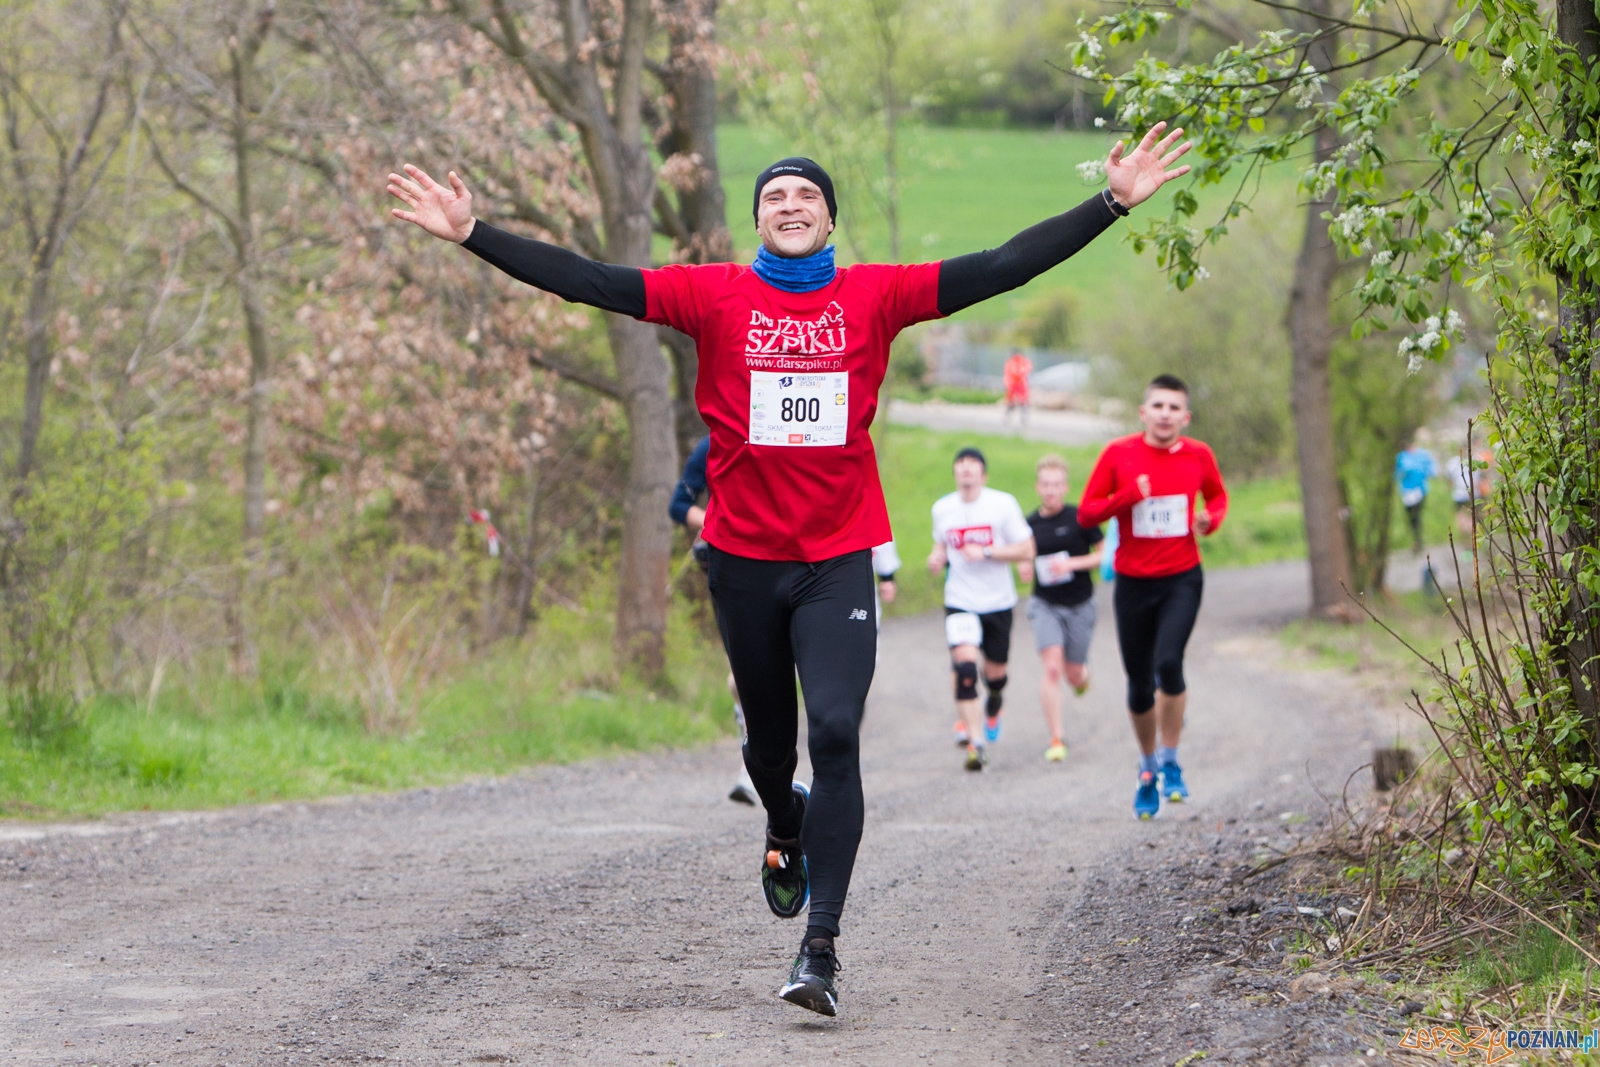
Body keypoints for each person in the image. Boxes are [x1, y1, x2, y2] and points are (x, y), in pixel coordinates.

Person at [387, 122, 1192, 1017]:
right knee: (772, 750)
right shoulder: (711, 295)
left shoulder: (875, 296)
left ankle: (821, 951)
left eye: (807, 194)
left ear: (830, 218)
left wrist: (1112, 202)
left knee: (838, 730)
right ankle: (782, 820)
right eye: (775, 196)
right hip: (741, 558)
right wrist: (474, 235)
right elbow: (592, 281)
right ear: (758, 222)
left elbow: (1003, 263)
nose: (791, 204)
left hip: (838, 557)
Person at [1078, 374, 1227, 820]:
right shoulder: (1118, 454)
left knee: (1169, 663)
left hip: (1182, 577)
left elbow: (1217, 497)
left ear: (1185, 416)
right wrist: (1128, 496)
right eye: (1157, 406)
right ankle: (1147, 768)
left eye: (1173, 407)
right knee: (1140, 682)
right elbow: (1087, 513)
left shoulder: (1200, 455)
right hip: (1132, 582)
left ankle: (1171, 759)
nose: (1165, 414)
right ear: (1144, 412)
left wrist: (1209, 520)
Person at [928, 448, 1035, 770]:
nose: (966, 470)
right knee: (964, 669)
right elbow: (941, 544)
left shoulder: (1001, 504)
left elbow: (1027, 548)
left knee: (995, 674)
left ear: (983, 475)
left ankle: (994, 703)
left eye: (973, 465)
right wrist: (937, 557)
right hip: (960, 599)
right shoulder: (943, 508)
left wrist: (987, 551)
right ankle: (976, 742)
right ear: (955, 473)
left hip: (997, 601)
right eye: (960, 465)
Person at [670, 435, 761, 806]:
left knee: (763, 674)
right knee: (742, 676)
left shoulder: (783, 438)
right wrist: (717, 522)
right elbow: (679, 505)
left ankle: (766, 759)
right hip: (728, 568)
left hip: (783, 565)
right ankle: (753, 762)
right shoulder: (712, 446)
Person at [1015, 454, 1102, 763]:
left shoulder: (1081, 518)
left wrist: (1072, 563)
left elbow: (1105, 556)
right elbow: (1024, 554)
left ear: (1065, 487)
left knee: (1073, 674)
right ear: (1038, 487)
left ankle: (1081, 676)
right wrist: (1025, 567)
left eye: (1056, 485)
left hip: (1080, 603)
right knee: (1052, 667)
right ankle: (1056, 738)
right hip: (1045, 604)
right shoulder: (1029, 524)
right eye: (1045, 485)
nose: (1050, 490)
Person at [1395, 436, 1437, 553]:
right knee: (1411, 517)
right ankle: (1416, 539)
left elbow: (1431, 469)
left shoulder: (1423, 455)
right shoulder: (1401, 457)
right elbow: (1397, 474)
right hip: (1407, 491)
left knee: (1417, 514)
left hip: (1420, 490)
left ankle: (1418, 541)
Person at [1445, 447, 1473, 536]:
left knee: (1463, 514)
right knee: (1465, 514)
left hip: (1464, 493)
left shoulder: (1453, 462)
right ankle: (1467, 533)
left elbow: (1449, 478)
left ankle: (1466, 533)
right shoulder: (1472, 460)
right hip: (1463, 493)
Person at [1003, 350, 1033, 425]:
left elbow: (1008, 373)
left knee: (1012, 401)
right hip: (1019, 383)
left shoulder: (1011, 362)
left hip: (1014, 383)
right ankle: (1022, 416)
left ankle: (1009, 415)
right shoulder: (1023, 361)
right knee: (1021, 401)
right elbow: (1028, 370)